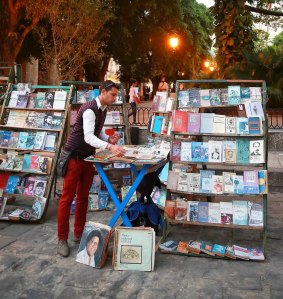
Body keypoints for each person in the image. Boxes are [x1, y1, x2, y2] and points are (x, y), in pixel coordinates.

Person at [57, 80, 125, 258]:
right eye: (113, 94)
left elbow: (97, 132)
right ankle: (62, 238)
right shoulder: (89, 109)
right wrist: (109, 147)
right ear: (102, 92)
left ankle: (79, 233)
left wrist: (108, 140)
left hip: (87, 159)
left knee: (83, 197)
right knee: (67, 198)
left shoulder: (102, 109)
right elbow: (88, 137)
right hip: (74, 157)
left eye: (116, 95)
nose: (114, 98)